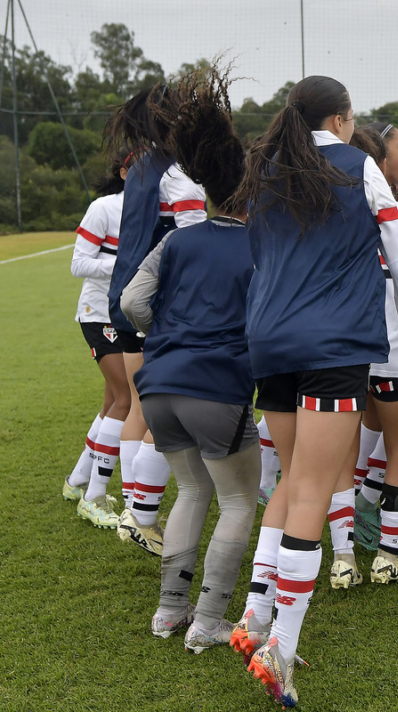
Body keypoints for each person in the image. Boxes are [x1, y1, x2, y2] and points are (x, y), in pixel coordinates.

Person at [226, 76, 398, 708]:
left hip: (269, 342)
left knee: (292, 479)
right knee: (316, 487)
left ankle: (255, 616)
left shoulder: (261, 169)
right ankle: (280, 650)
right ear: (343, 120)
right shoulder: (359, 167)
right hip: (334, 347)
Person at [119, 65, 260, 654]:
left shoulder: (177, 238)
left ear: (203, 192)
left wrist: (167, 336)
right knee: (237, 500)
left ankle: (167, 611)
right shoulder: (260, 245)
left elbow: (131, 300)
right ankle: (207, 620)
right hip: (216, 386)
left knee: (191, 492)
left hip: (159, 387)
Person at [326, 126, 398, 588]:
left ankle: (343, 558)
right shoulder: (394, 212)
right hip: (392, 351)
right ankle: (387, 558)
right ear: (373, 165)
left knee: (342, 455)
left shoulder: (325, 213)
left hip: (342, 353)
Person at [102, 84, 208, 552]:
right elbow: (195, 240)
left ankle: (133, 505)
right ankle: (138, 513)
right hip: (157, 304)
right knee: (160, 410)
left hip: (125, 297)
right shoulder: (177, 172)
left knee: (141, 407)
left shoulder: (143, 164)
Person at [65, 159, 129, 519]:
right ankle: (94, 496)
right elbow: (79, 264)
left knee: (112, 400)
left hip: (130, 316)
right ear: (124, 172)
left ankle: (76, 481)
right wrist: (125, 263)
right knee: (126, 399)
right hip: (99, 314)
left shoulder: (155, 208)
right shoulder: (103, 208)